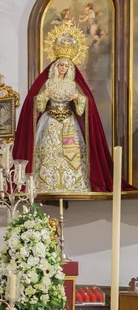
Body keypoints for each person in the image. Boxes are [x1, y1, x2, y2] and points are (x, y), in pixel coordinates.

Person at [13, 24, 133, 193]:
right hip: (50, 123)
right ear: (55, 66)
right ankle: (45, 184)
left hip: (69, 124)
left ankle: (75, 184)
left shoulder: (74, 84)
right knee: (48, 152)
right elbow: (37, 104)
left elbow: (83, 108)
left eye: (66, 66)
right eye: (60, 65)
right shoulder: (47, 83)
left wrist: (79, 98)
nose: (63, 68)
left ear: (70, 68)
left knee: (72, 154)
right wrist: (45, 95)